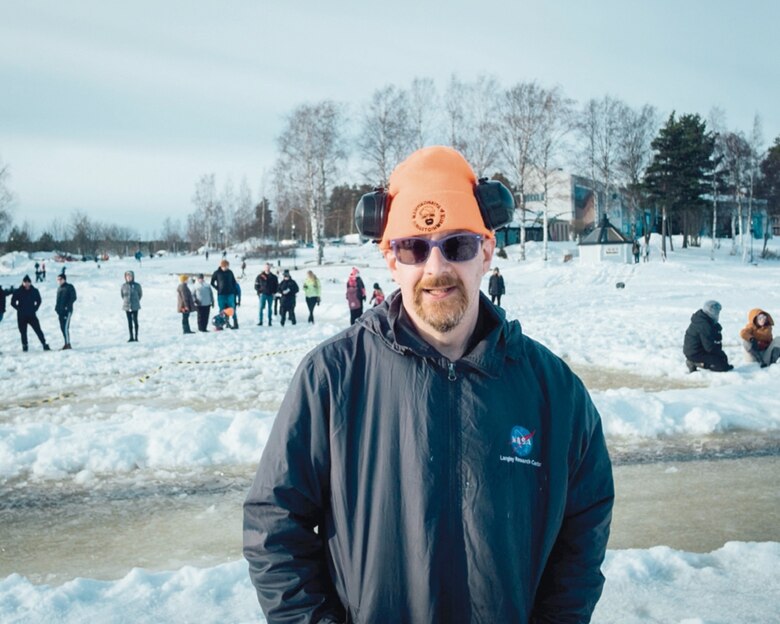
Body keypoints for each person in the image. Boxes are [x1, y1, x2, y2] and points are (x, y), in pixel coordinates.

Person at [244, 146, 614, 623]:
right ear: (392, 261)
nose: (436, 268)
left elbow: (582, 536)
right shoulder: (332, 377)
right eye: (414, 247)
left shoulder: (553, 390)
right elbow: (274, 527)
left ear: (486, 251)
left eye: (456, 244)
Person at [684, 300, 733, 372]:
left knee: (722, 359)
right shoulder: (704, 325)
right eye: (714, 310)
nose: (717, 313)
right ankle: (694, 363)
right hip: (695, 353)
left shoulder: (705, 320)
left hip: (699, 349)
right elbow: (709, 347)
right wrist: (720, 354)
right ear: (709, 311)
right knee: (722, 366)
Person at [11, 275, 51, 352]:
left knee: (38, 330)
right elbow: (12, 302)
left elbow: (39, 300)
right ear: (22, 283)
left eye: (28, 282)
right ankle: (25, 346)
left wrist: (35, 309)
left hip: (32, 315)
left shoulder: (34, 290)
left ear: (30, 283)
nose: (26, 284)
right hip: (21, 316)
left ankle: (44, 344)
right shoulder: (18, 291)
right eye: (25, 282)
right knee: (23, 332)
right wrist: (19, 309)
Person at [210, 259, 238, 329]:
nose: (226, 268)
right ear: (221, 266)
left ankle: (235, 323)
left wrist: (234, 290)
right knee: (222, 309)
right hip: (221, 294)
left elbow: (234, 282)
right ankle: (221, 323)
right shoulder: (217, 273)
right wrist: (217, 288)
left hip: (230, 294)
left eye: (227, 266)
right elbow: (212, 282)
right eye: (225, 266)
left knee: (232, 308)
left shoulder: (230, 272)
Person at [54, 272, 77, 349]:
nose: (59, 281)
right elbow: (58, 300)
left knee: (65, 327)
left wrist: (67, 306)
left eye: (60, 279)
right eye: (58, 279)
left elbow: (74, 297)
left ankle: (68, 344)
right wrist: (56, 308)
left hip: (67, 311)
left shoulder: (69, 287)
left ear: (64, 279)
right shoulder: (59, 288)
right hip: (60, 311)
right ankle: (66, 342)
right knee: (62, 327)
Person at [121, 270, 143, 342]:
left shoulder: (137, 285)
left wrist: (136, 301)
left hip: (135, 306)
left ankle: (136, 337)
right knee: (129, 322)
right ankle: (131, 337)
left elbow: (140, 294)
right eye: (127, 276)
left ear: (132, 277)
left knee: (135, 321)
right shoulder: (124, 286)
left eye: (130, 276)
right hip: (127, 306)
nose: (129, 278)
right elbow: (122, 295)